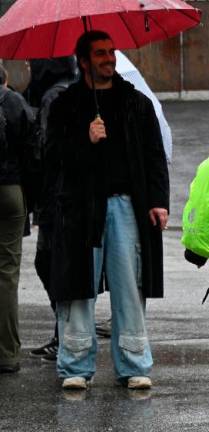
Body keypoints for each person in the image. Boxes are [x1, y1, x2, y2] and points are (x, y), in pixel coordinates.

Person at [43, 31, 169, 391]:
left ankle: (133, 364)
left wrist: (159, 201)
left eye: (111, 51)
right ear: (83, 61)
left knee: (129, 284)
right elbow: (51, 158)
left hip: (126, 205)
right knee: (78, 287)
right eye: (100, 53)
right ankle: (75, 366)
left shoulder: (135, 102)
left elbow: (154, 156)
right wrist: (85, 139)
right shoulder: (66, 105)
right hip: (79, 208)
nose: (109, 58)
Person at [26, 56, 79, 363]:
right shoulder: (72, 90)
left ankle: (65, 335)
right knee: (56, 264)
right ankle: (64, 333)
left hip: (55, 198)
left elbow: (45, 149)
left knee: (49, 263)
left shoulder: (52, 97)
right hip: (65, 196)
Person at [0, 64, 35, 374]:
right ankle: (7, 353)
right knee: (7, 274)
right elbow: (32, 153)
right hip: (10, 191)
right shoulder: (15, 103)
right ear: (5, 78)